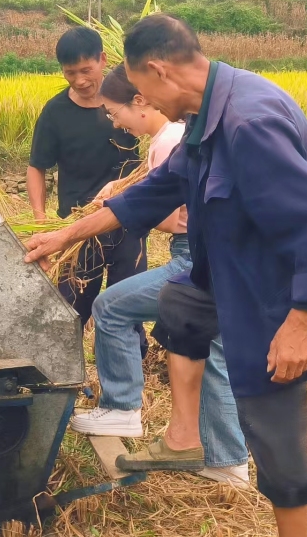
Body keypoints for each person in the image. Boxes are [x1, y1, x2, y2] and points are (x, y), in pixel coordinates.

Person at [24, 15, 307, 537]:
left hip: (272, 292)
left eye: (140, 90)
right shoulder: (209, 115)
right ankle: (184, 436)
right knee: (181, 303)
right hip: (222, 273)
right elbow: (156, 190)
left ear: (159, 71)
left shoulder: (249, 123)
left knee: (268, 412)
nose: (142, 101)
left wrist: (299, 325)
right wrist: (64, 235)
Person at [68, 65, 249, 487]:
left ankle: (122, 409)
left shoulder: (169, 140)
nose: (115, 123)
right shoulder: (175, 137)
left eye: (115, 113)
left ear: (142, 99)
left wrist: (123, 213)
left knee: (110, 307)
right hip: (215, 257)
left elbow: (177, 217)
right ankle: (227, 459)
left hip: (192, 258)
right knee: (212, 353)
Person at [26, 26, 146, 342]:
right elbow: (37, 167)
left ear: (103, 60)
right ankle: (68, 379)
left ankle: (127, 375)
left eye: (86, 70)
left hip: (127, 222)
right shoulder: (55, 112)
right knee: (70, 313)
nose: (80, 80)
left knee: (128, 308)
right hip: (76, 227)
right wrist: (41, 222)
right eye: (70, 73)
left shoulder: (131, 102)